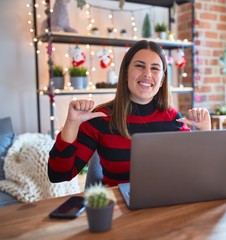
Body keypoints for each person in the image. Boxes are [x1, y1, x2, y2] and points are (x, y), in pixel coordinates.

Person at [48, 40, 211, 187]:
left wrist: (205, 132)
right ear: (126, 73)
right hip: (119, 210)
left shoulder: (173, 118)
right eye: (140, 66)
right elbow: (58, 175)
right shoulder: (101, 118)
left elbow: (199, 173)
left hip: (165, 206)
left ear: (161, 81)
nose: (147, 73)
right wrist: (71, 124)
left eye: (155, 68)